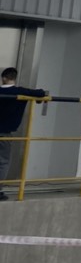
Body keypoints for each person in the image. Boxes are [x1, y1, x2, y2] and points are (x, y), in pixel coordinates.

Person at [0, 68, 49, 200]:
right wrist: (43, 96)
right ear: (14, 78)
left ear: (3, 78)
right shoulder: (20, 92)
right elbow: (40, 93)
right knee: (3, 162)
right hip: (5, 133)